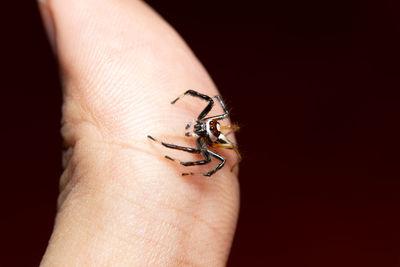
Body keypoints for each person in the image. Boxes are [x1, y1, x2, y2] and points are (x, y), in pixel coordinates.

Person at [38, 0, 240, 266]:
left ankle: (170, 156)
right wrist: (184, 97)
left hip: (213, 137)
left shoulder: (210, 144)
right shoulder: (209, 118)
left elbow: (209, 160)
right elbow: (211, 101)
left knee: (211, 158)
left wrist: (183, 167)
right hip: (212, 127)